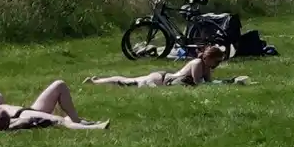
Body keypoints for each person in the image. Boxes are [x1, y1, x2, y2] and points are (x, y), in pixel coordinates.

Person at [0, 81, 110, 132]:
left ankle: (78, 120)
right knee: (60, 121)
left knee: (59, 85)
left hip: (28, 109)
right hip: (25, 115)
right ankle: (95, 127)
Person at [87, 46, 248, 88]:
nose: (218, 65)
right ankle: (96, 82)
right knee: (128, 82)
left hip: (167, 80)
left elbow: (209, 84)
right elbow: (200, 85)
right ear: (208, 58)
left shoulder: (206, 67)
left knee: (128, 82)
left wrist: (228, 82)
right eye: (217, 61)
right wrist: (229, 82)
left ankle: (97, 81)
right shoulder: (198, 64)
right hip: (160, 79)